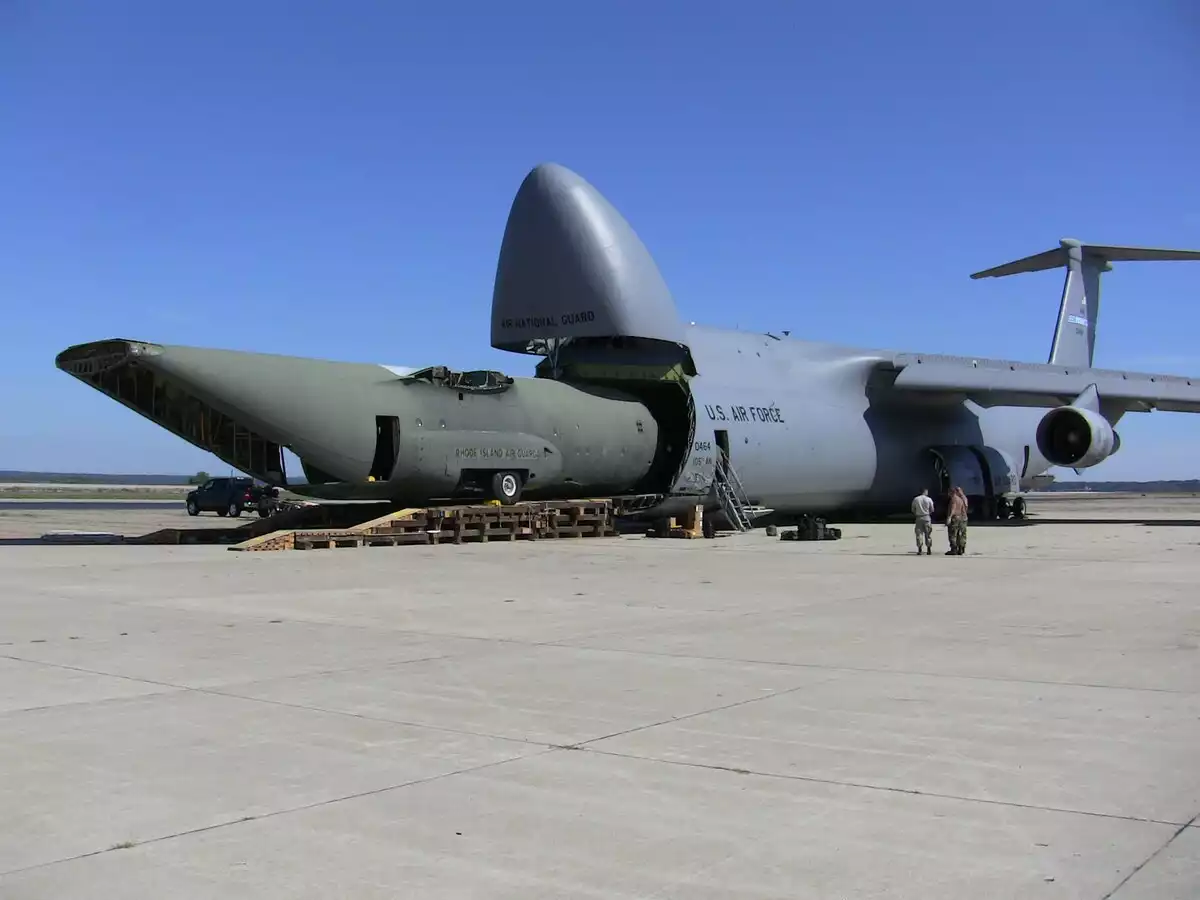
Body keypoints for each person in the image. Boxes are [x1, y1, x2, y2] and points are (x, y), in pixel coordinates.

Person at [945, 486, 969, 555]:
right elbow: (964, 509)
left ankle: (954, 549)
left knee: (952, 534)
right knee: (960, 534)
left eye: (948, 492)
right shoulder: (960, 499)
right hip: (960, 518)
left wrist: (949, 517)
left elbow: (953, 509)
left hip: (955, 518)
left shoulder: (954, 499)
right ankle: (961, 549)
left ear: (951, 492)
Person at [911, 488, 934, 555]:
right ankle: (929, 549)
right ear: (925, 492)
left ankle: (920, 549)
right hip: (926, 517)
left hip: (919, 517)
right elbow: (932, 509)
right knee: (928, 534)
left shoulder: (916, 499)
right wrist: (928, 513)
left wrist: (916, 514)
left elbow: (913, 509)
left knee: (919, 534)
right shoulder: (929, 499)